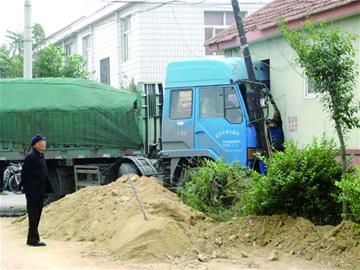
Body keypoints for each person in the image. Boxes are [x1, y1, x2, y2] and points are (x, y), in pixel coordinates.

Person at [20, 134, 53, 247]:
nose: (44, 144)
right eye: (42, 142)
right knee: (33, 215)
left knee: (37, 215)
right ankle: (33, 240)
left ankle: (33, 238)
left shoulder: (40, 155)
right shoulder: (31, 156)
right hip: (33, 191)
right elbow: (25, 173)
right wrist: (23, 187)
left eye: (44, 141)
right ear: (36, 144)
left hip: (39, 190)